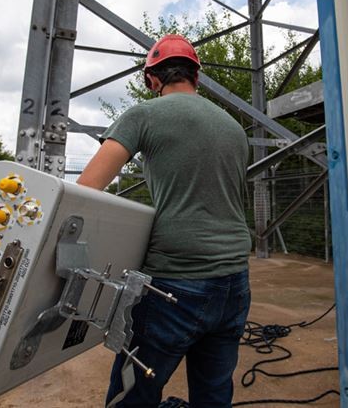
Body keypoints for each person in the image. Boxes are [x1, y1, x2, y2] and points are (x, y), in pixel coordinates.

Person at [77, 34, 252, 407]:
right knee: (214, 393)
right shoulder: (233, 127)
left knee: (133, 397)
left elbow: (86, 190)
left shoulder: (143, 115)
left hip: (174, 285)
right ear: (196, 77)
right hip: (235, 282)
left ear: (152, 80)